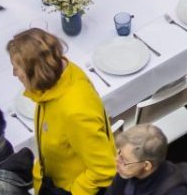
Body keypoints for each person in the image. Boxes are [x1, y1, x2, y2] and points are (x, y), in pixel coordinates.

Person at [9, 28, 117, 195]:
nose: (14, 73)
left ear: (37, 71)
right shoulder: (61, 73)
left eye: (17, 68)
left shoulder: (75, 112)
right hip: (52, 179)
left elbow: (104, 168)